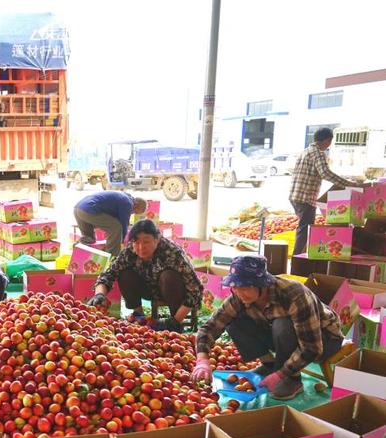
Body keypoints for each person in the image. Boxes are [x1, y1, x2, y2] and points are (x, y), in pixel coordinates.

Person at [191, 255, 344, 401]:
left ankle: (292, 379)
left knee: (282, 324)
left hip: (324, 340)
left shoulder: (293, 294)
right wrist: (202, 359)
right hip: (289, 338)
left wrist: (282, 374)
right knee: (233, 320)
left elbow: (312, 347)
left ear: (261, 284)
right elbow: (211, 326)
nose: (239, 293)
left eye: (245, 287)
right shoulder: (240, 297)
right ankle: (270, 365)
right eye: (235, 287)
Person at [87, 219, 203, 332]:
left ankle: (175, 322)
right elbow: (109, 274)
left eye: (146, 241)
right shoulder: (130, 251)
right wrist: (100, 295)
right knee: (124, 273)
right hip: (147, 290)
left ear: (157, 239)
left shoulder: (172, 253)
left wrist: (176, 320)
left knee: (168, 276)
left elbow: (196, 290)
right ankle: (138, 315)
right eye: (136, 242)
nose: (141, 247)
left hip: (171, 291)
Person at [289, 127, 368, 255]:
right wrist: (349, 184)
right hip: (305, 197)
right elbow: (325, 173)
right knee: (304, 230)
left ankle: (299, 257)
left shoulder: (305, 151)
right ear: (327, 140)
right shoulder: (318, 153)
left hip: (295, 195)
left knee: (303, 228)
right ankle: (298, 258)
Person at [74, 191, 147, 255]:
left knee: (89, 238)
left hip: (78, 209)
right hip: (89, 210)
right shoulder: (128, 203)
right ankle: (112, 257)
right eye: (134, 212)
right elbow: (123, 224)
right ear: (136, 205)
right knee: (116, 227)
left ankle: (77, 249)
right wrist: (123, 242)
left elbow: (110, 218)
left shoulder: (123, 197)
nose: (132, 213)